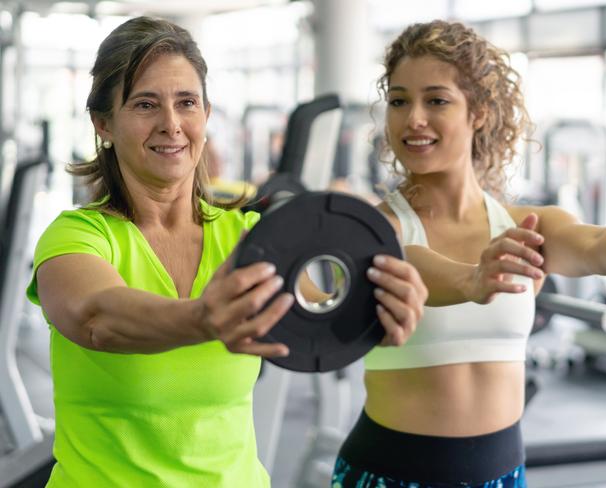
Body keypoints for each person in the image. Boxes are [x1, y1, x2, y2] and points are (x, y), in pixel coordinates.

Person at [26, 17, 426, 487]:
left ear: (206, 115)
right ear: (103, 123)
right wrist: (202, 319)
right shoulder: (76, 234)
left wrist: (376, 314)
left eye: (186, 103)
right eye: (145, 104)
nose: (171, 124)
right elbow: (96, 317)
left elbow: (320, 314)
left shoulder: (247, 237)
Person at [332, 19, 606, 488]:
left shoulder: (524, 227)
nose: (413, 117)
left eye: (436, 100)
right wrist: (471, 277)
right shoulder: (378, 225)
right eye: (400, 101)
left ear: (477, 111)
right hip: (390, 475)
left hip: (502, 475)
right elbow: (400, 261)